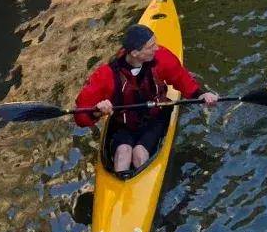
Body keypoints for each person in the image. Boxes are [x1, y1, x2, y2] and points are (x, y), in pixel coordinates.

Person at [74, 23, 217, 174]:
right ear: (135, 53)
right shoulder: (106, 75)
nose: (157, 48)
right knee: (123, 153)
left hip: (156, 117)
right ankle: (120, 190)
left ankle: (140, 184)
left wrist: (201, 95)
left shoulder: (161, 57)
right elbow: (81, 116)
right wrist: (97, 111)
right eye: (151, 46)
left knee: (139, 154)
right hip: (124, 123)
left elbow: (181, 78)